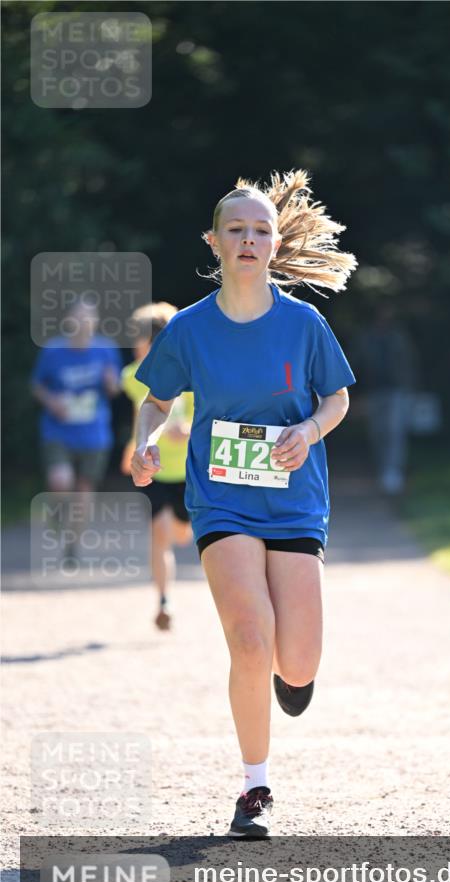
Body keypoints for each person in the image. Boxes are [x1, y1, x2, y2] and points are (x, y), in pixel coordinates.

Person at [130, 169, 357, 837]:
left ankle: (291, 678)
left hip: (293, 500)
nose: (250, 239)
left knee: (298, 660)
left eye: (261, 229)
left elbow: (336, 397)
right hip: (221, 499)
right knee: (250, 641)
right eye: (237, 229)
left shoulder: (303, 323)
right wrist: (146, 444)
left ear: (274, 240)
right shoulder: (189, 329)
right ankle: (254, 786)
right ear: (215, 241)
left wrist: (308, 430)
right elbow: (156, 400)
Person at [120, 302, 194, 631]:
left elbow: (209, 411)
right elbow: (141, 414)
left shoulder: (191, 371)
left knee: (180, 533)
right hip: (155, 468)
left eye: (141, 340)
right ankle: (164, 600)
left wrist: (188, 429)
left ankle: (182, 528)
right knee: (159, 534)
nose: (136, 347)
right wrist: (132, 449)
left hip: (189, 469)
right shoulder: (131, 377)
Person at [31, 298, 122, 559]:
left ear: (95, 321)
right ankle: (56, 515)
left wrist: (110, 383)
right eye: (79, 316)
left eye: (89, 316)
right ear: (69, 320)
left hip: (94, 434)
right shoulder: (53, 351)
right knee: (60, 482)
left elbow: (115, 389)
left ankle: (73, 545)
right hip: (58, 430)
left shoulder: (106, 349)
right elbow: (37, 385)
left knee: (83, 490)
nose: (84, 322)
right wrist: (51, 401)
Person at [356, 301, 419, 496]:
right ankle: (382, 468)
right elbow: (356, 362)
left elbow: (409, 363)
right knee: (377, 432)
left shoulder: (399, 337)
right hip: (374, 391)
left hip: (396, 390)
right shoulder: (366, 337)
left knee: (394, 431)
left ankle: (392, 472)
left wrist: (412, 389)